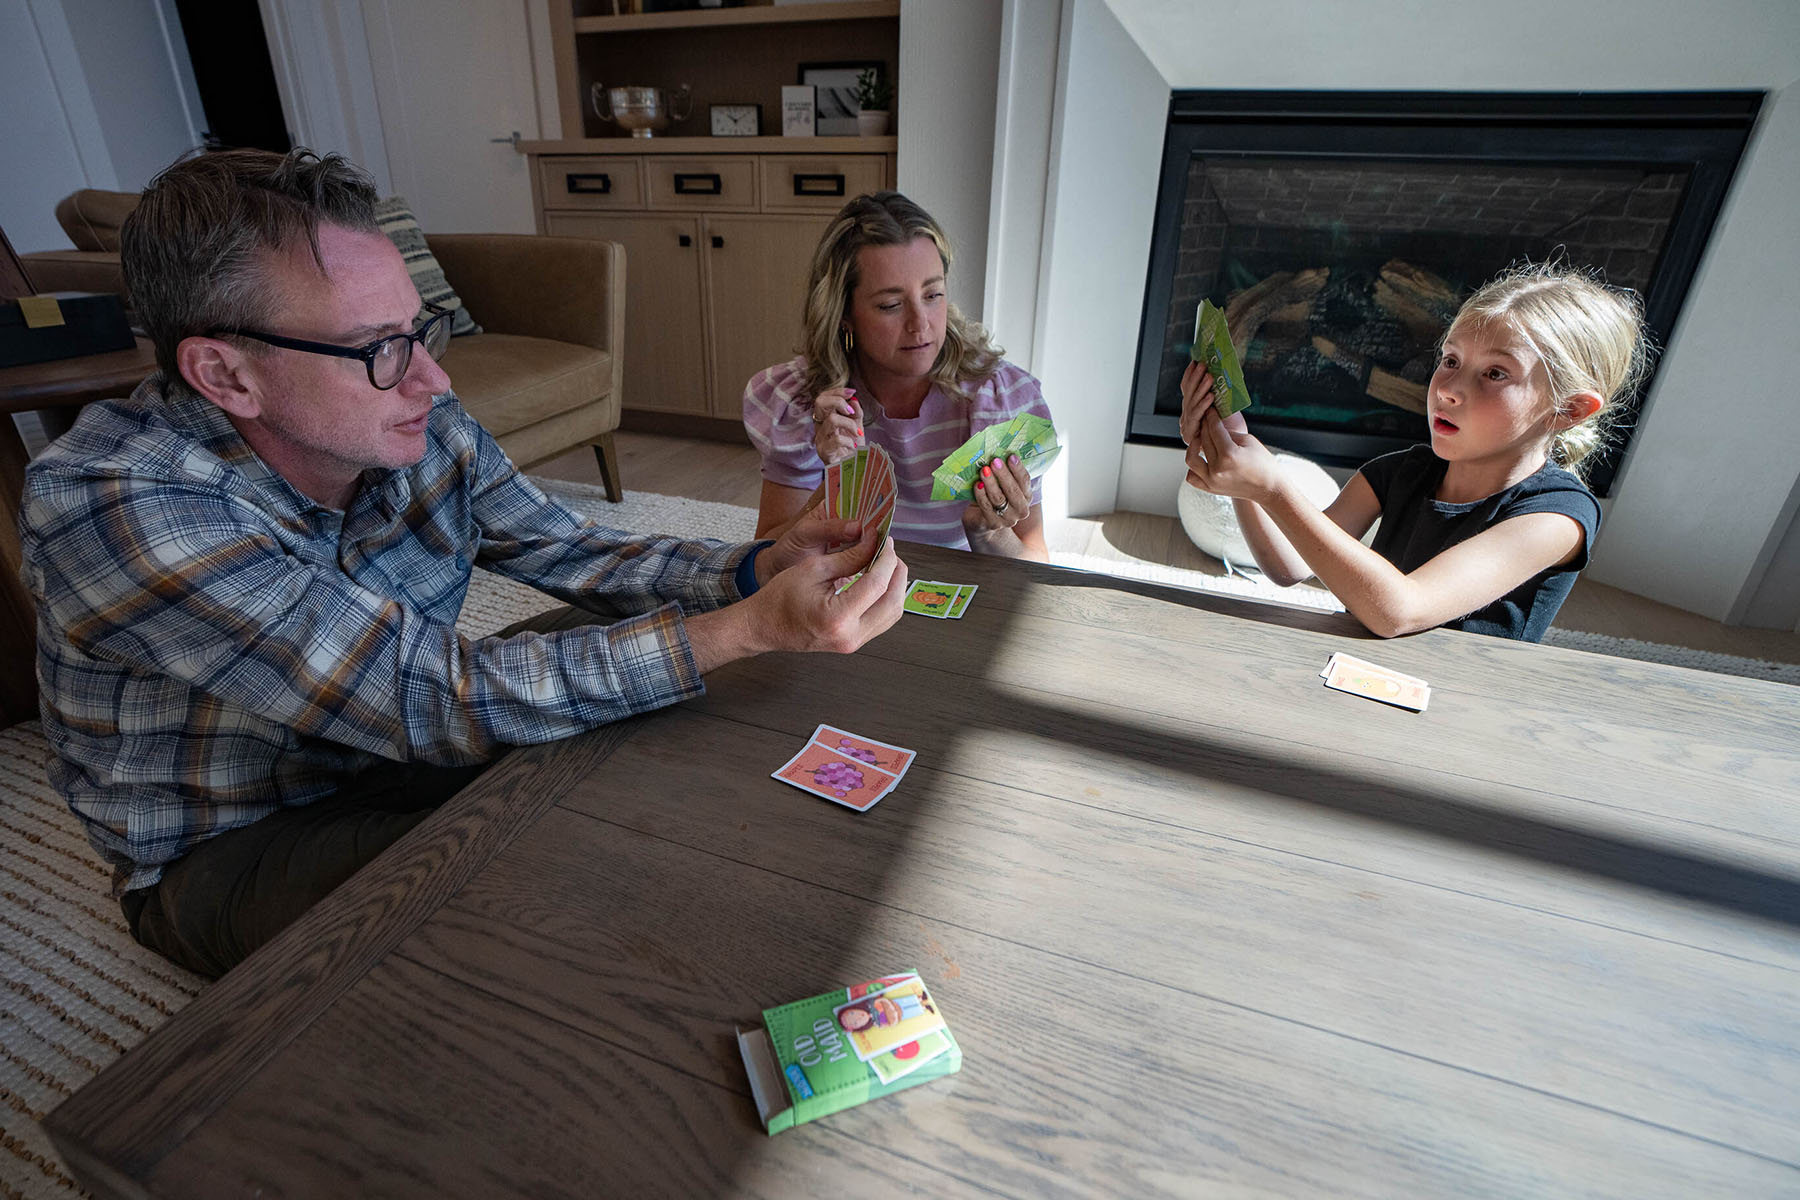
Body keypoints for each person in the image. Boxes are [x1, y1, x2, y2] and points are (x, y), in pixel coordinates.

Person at [20, 148, 908, 978]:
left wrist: (756, 569)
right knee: (555, 895)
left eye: (421, 331)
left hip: (394, 749)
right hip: (237, 839)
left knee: (637, 666)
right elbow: (429, 696)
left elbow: (571, 548)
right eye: (378, 349)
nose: (434, 383)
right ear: (224, 374)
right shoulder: (109, 502)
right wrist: (745, 630)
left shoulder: (419, 424)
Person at [1180, 262, 1650, 641]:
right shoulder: (1398, 472)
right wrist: (1239, 462)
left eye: (1495, 373)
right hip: (1358, 678)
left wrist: (1276, 487)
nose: (1447, 389)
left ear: (1569, 410)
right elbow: (1289, 566)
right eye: (1450, 360)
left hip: (1458, 714)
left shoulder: (1557, 517)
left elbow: (1399, 611)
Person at [743, 191, 1054, 560]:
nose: (920, 324)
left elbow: (1037, 566)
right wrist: (832, 487)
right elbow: (766, 559)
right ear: (844, 314)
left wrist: (987, 533)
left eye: (933, 295)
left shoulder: (999, 401)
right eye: (891, 305)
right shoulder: (803, 405)